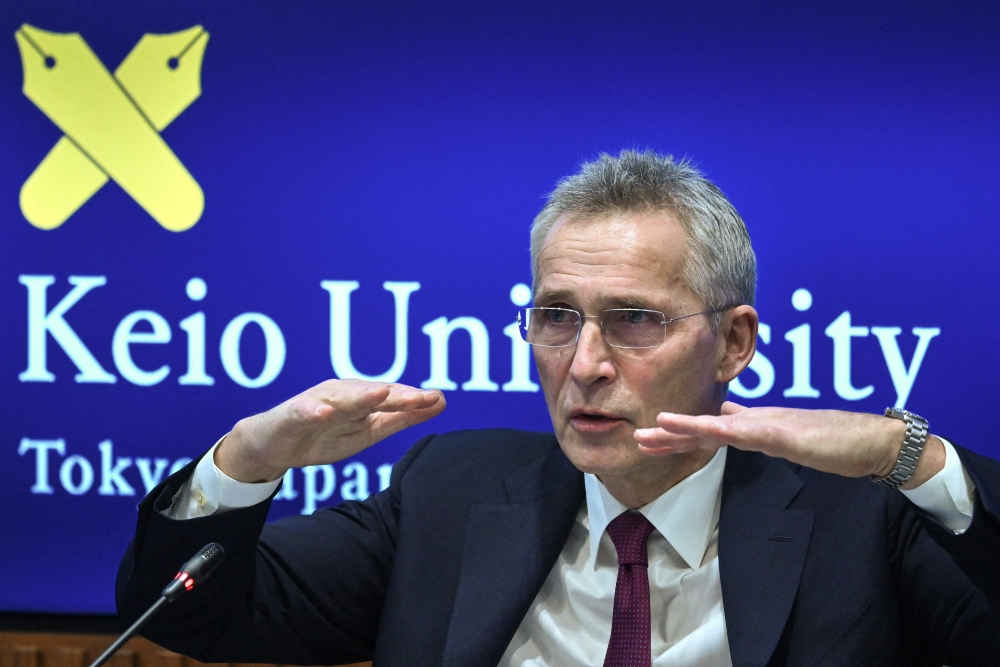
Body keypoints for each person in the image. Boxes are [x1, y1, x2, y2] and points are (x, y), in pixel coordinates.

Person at [117, 150, 1000, 667]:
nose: (583, 364)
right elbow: (193, 613)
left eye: (634, 321)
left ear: (734, 342)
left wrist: (912, 458)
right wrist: (247, 459)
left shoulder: (857, 514)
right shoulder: (454, 491)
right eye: (556, 317)